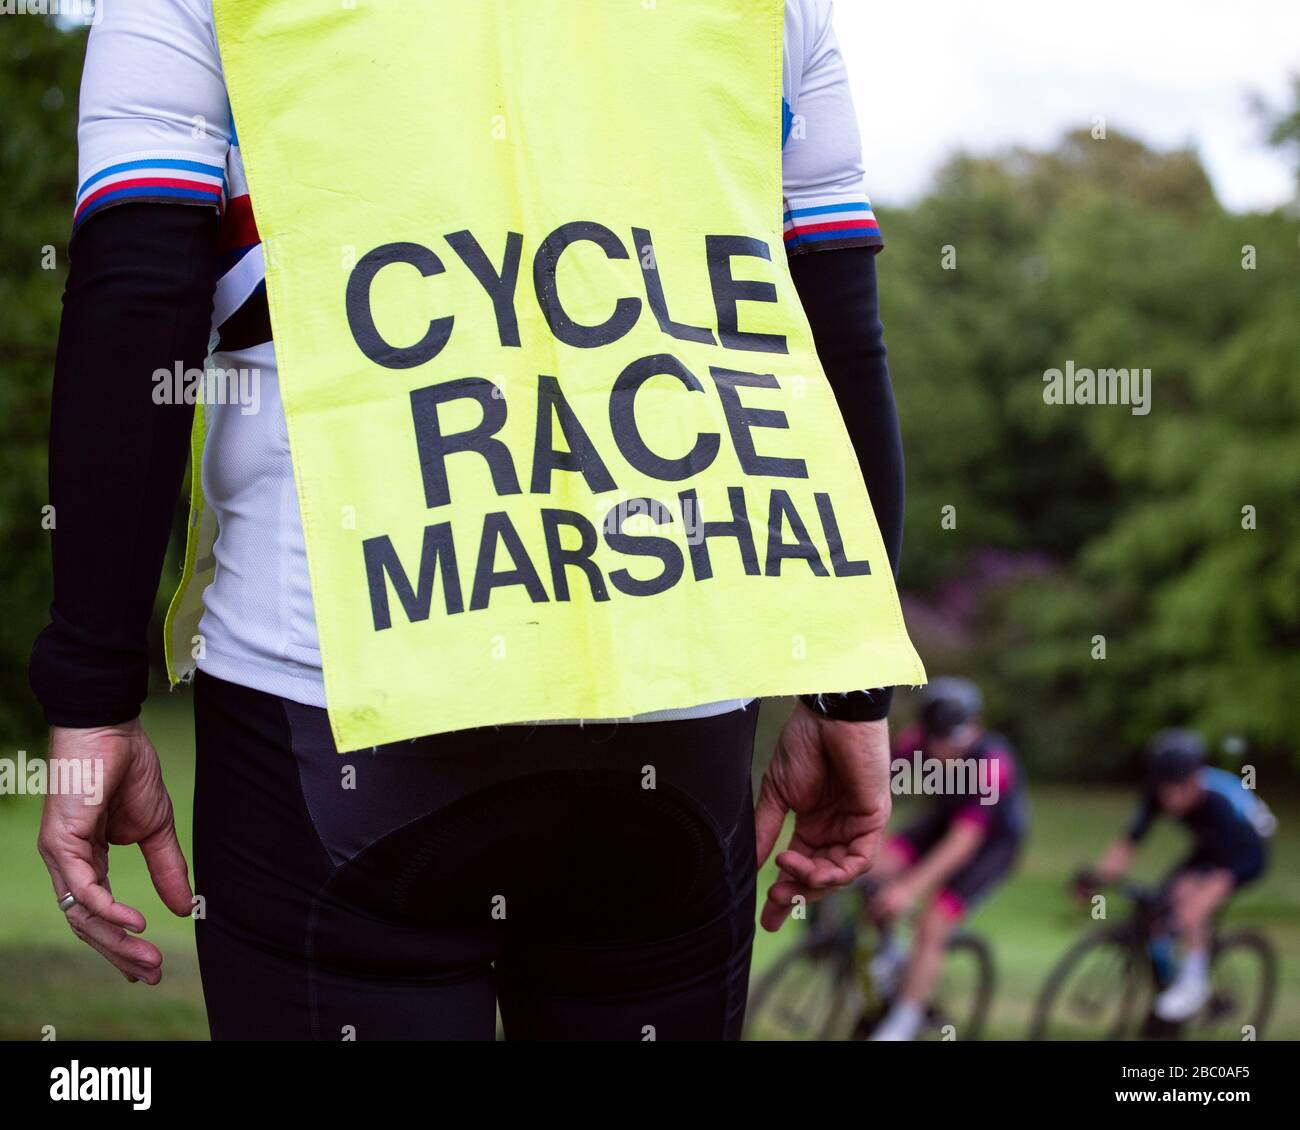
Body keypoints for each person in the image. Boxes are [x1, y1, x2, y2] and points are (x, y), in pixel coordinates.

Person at [31, 1, 916, 1039]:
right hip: (672, 706)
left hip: (332, 699)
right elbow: (837, 338)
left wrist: (93, 696)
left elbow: (136, 311)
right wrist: (848, 692)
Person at [863, 677, 1027, 1041]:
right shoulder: (915, 741)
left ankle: (903, 1023)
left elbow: (962, 843)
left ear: (975, 728)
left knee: (933, 920)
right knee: (868, 865)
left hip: (991, 845)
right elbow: (875, 791)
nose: (941, 752)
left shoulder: (992, 764)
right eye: (934, 741)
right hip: (943, 822)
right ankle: (892, 961)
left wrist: (907, 890)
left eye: (950, 742)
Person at [1089, 729, 1273, 1022]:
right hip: (1209, 846)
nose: (1169, 799)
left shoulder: (1218, 802)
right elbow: (1128, 842)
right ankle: (1167, 986)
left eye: (1176, 789)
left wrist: (1194, 905)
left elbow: (1220, 874)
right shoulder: (1158, 794)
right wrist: (1099, 878)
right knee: (1161, 904)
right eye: (1163, 789)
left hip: (1245, 852)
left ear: (1194, 780)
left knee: (1191, 909)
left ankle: (1194, 984)